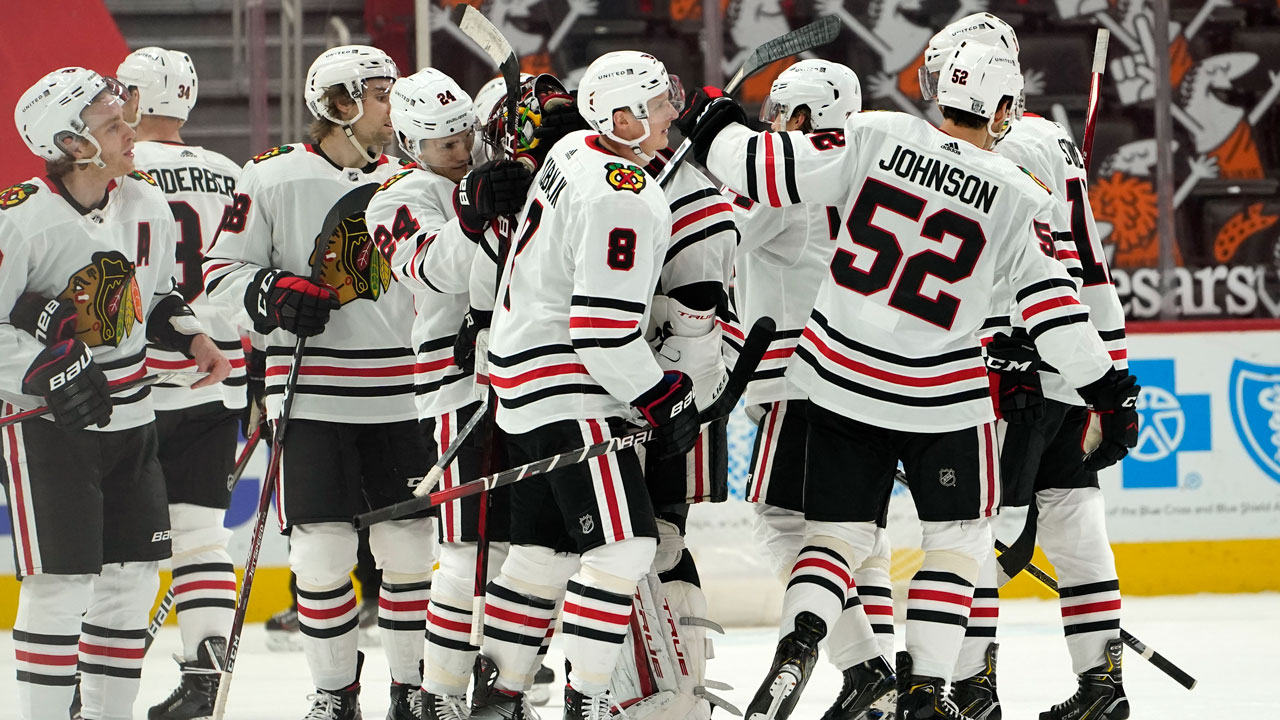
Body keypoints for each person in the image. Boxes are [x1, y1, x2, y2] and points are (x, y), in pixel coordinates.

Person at [676, 39, 1137, 720]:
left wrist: (711, 121)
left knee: (832, 538)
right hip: (944, 401)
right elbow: (1053, 311)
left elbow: (759, 168)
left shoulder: (876, 135)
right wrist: (1107, 390)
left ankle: (806, 635)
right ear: (1005, 106)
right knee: (957, 544)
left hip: (837, 381)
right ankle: (925, 689)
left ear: (935, 92)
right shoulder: (1019, 193)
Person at [202, 45, 434, 720]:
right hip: (313, 395)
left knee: (410, 550)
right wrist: (272, 292)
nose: (396, 105)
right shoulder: (270, 177)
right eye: (382, 93)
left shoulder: (413, 176)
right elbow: (219, 278)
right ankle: (336, 695)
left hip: (404, 391)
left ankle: (410, 689)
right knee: (322, 555)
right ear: (339, 103)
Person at [467, 50, 697, 720]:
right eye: (656, 104)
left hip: (520, 383)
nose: (669, 114)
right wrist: (663, 393)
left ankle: (501, 692)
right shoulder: (622, 192)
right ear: (620, 117)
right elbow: (601, 332)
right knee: (624, 546)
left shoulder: (571, 154)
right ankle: (586, 702)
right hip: (571, 385)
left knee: (543, 550)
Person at [918, 15, 1134, 720]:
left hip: (1020, 367)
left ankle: (974, 690)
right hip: (1076, 362)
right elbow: (1083, 267)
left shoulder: (1009, 143)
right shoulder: (1050, 138)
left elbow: (1042, 265)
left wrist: (1010, 353)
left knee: (976, 533)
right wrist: (1109, 373)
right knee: (1074, 523)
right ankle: (1103, 687)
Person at [1, 66, 229, 720]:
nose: (132, 131)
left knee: (130, 585)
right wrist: (44, 369)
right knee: (61, 586)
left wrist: (190, 337)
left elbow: (151, 296)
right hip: (48, 432)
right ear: (73, 144)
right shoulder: (17, 221)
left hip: (135, 424)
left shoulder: (146, 204)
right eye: (113, 124)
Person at [728, 58, 898, 720]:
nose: (771, 122)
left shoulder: (786, 177)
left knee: (785, 527)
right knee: (861, 537)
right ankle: (877, 686)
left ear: (800, 117)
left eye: (779, 112)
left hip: (797, 373)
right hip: (874, 375)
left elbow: (716, 235)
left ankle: (852, 666)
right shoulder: (874, 167)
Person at [366, 66, 537, 720]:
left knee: (523, 551)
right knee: (466, 550)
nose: (462, 149)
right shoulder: (392, 199)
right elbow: (434, 271)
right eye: (444, 144)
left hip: (525, 376)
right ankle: (438, 694)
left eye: (464, 134)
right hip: (458, 388)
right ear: (412, 144)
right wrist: (472, 213)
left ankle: (502, 688)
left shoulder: (494, 171)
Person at [112, 46, 248, 720]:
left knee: (120, 548)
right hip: (214, 379)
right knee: (201, 539)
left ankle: (93, 687)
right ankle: (205, 677)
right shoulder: (232, 172)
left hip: (135, 381)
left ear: (131, 99)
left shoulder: (119, 170)